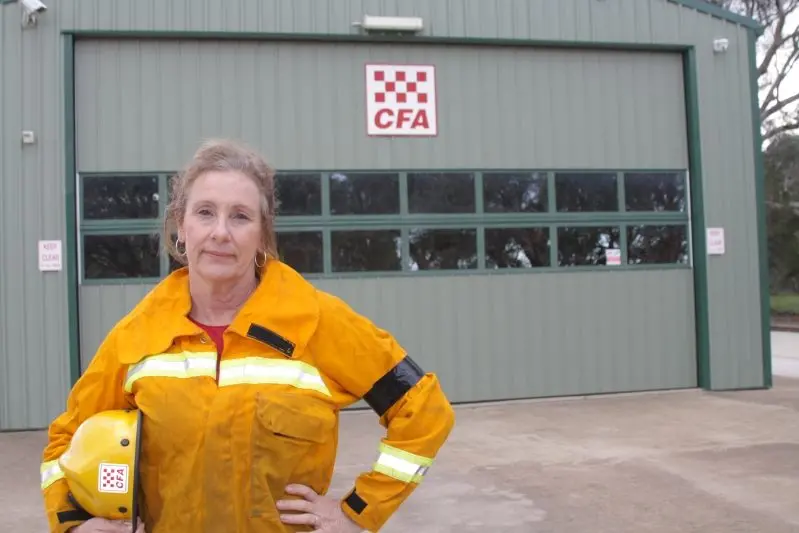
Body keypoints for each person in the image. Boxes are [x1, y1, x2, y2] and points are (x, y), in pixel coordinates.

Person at [39, 138, 456, 533]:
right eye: (205, 212)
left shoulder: (316, 321)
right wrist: (74, 519)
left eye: (240, 216)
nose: (221, 232)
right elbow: (66, 440)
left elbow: (424, 410)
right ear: (181, 227)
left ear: (261, 235)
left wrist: (358, 512)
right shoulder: (137, 336)